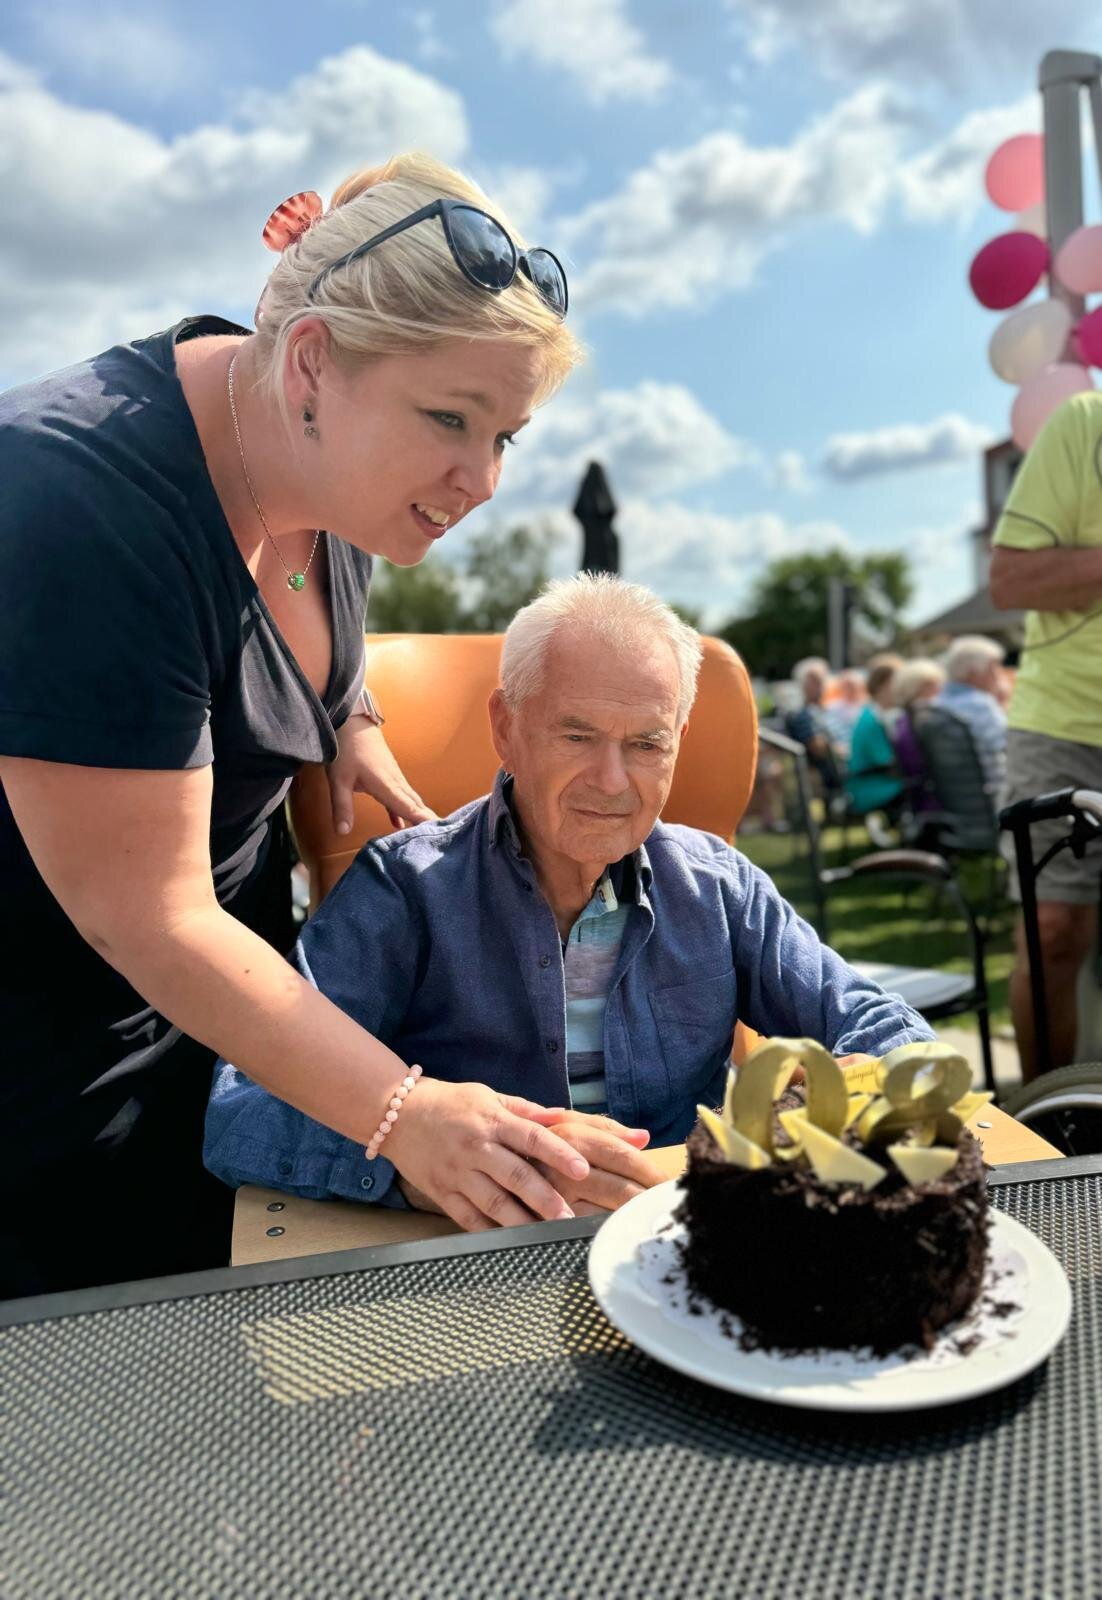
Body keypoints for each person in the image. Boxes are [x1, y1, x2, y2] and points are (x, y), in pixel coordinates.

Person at [0, 153, 589, 1299]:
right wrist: (404, 1112)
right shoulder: (76, 500)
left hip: (237, 1044)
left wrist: (345, 712)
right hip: (54, 1092)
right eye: (450, 419)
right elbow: (151, 918)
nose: (482, 479)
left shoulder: (323, 455)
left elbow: (266, 638)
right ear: (313, 357)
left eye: (505, 435)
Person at [205, 577, 934, 1218]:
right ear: (506, 728)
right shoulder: (404, 889)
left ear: (679, 741)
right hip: (470, 1260)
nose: (611, 782)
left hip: (682, 1243)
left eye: (646, 744)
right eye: (577, 736)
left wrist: (853, 1093)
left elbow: (886, 1028)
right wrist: (426, 1162)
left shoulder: (720, 886)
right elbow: (242, 1112)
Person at [990, 393, 1102, 1078]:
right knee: (1054, 932)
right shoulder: (1086, 421)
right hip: (1065, 724)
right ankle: (1048, 1124)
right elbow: (1010, 578)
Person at [934, 636, 1008, 791]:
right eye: (993, 667)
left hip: (957, 793)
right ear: (974, 673)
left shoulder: (936, 704)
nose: (999, 674)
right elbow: (1011, 746)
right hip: (995, 789)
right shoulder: (980, 704)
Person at [844, 661, 904, 818]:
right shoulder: (871, 721)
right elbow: (887, 760)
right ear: (880, 686)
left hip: (877, 780)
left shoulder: (874, 714)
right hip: (873, 787)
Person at [892, 658, 947, 812]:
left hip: (929, 795)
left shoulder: (907, 720)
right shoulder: (918, 723)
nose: (939, 691)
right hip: (935, 800)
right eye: (932, 686)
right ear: (914, 689)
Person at [785, 658, 843, 798]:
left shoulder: (830, 710)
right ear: (802, 684)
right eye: (815, 681)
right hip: (830, 775)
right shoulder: (800, 715)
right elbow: (818, 748)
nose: (821, 684)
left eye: (823, 679)